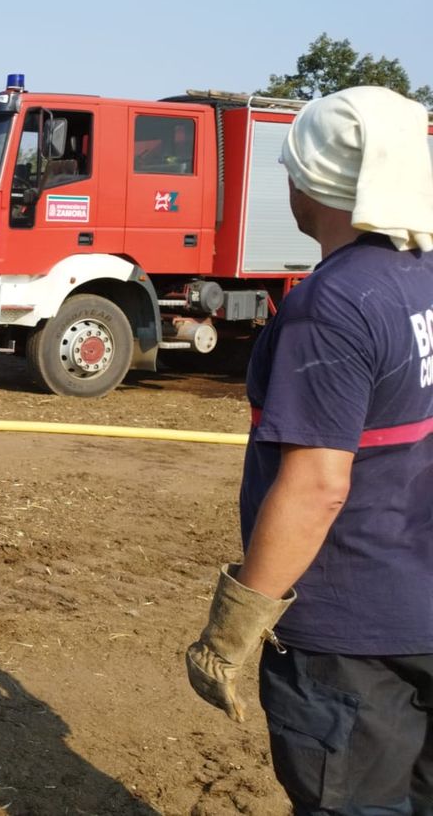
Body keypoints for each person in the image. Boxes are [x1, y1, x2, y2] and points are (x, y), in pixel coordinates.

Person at [185, 85, 433, 812]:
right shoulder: (421, 279)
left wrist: (233, 628)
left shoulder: (332, 304)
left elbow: (319, 485)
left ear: (309, 183)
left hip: (354, 641)